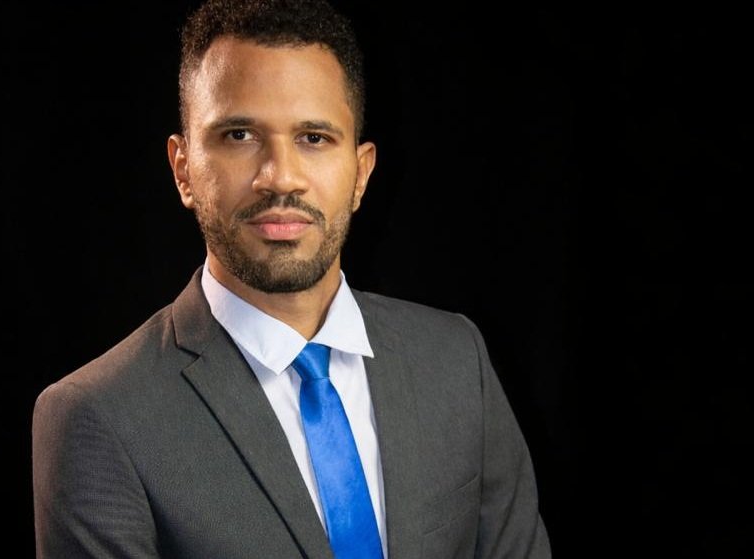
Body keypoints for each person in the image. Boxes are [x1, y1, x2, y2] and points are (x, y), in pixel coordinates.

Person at [31, 0, 551, 557]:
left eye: (314, 138)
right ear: (183, 170)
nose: (281, 177)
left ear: (361, 172)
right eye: (239, 135)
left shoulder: (456, 359)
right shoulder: (98, 416)